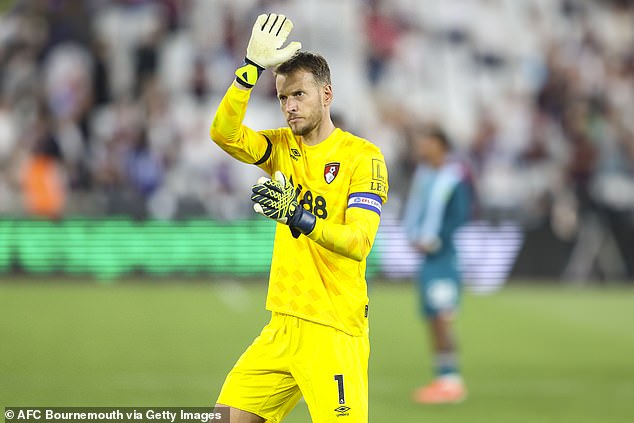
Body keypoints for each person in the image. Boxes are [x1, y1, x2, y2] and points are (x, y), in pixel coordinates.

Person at [209, 13, 389, 423]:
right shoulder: (279, 147)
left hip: (333, 328)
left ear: (327, 95)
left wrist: (300, 217)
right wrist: (249, 69)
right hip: (282, 324)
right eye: (283, 98)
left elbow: (359, 242)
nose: (289, 107)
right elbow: (223, 133)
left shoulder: (363, 157)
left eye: (299, 95)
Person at [403, 125, 472, 404]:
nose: (422, 147)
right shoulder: (424, 175)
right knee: (433, 317)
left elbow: (460, 215)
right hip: (428, 259)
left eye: (427, 142)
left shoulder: (453, 178)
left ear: (441, 146)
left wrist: (436, 240)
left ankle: (452, 380)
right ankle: (443, 376)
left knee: (443, 317)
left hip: (443, 257)